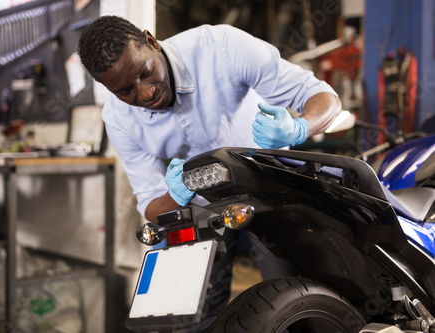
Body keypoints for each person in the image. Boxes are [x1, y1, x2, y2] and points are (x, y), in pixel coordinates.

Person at [78, 15, 341, 331]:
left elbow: (322, 96)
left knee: (291, 297)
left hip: (271, 185)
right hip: (202, 202)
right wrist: (174, 195)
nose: (145, 93)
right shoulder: (119, 119)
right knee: (192, 312)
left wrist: (300, 127)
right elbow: (150, 206)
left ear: (151, 41)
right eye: (125, 91)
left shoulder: (222, 48)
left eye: (146, 72)